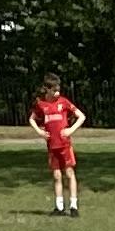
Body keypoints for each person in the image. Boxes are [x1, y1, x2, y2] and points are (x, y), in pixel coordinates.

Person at [30, 77, 86, 214]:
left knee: (69, 173)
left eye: (58, 90)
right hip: (52, 146)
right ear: (47, 89)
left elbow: (81, 116)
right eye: (54, 90)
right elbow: (32, 119)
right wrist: (40, 132)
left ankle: (73, 206)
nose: (57, 93)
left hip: (65, 145)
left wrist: (70, 130)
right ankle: (59, 207)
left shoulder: (63, 102)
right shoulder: (41, 104)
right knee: (56, 176)